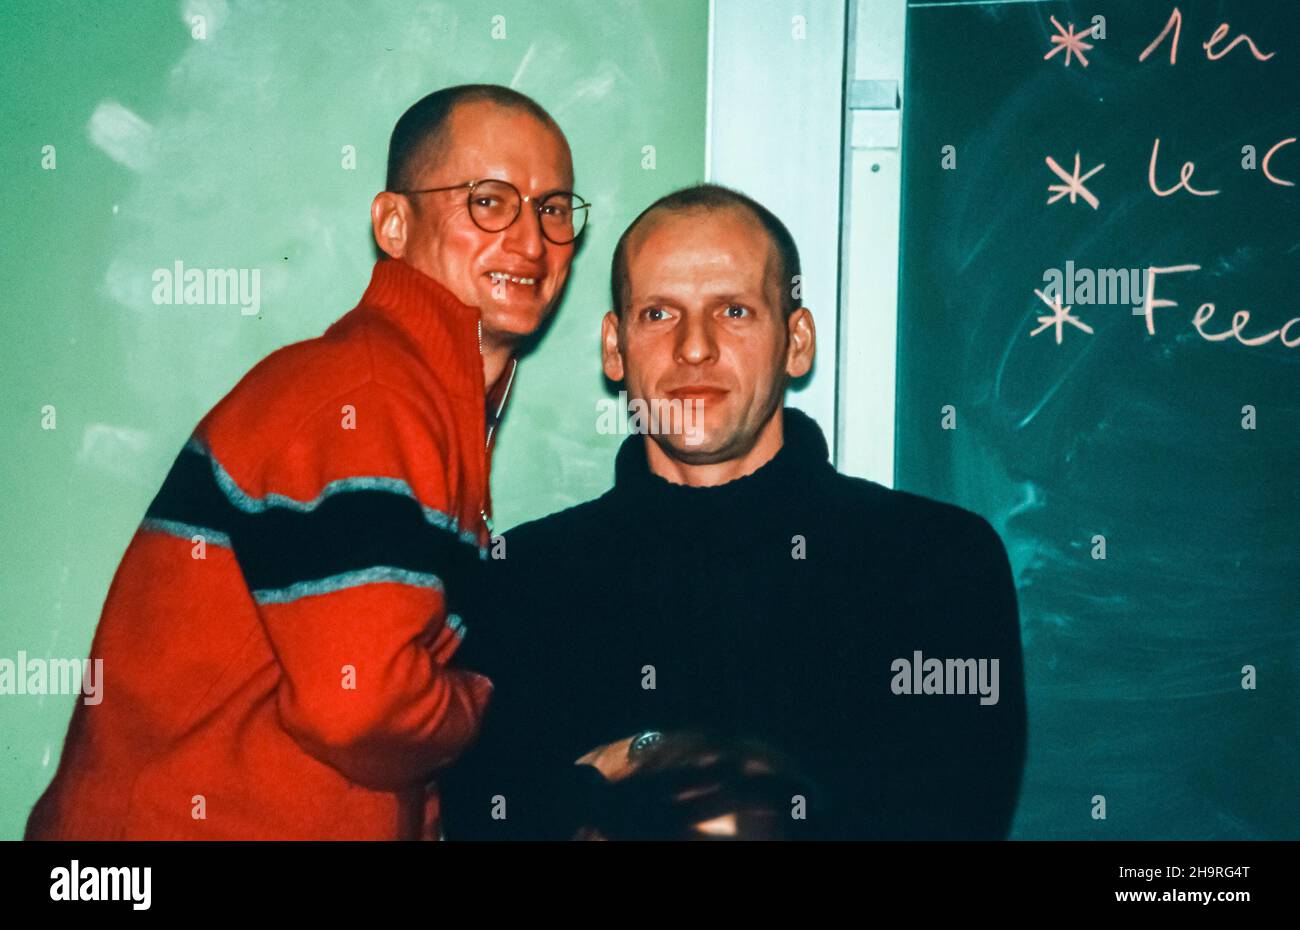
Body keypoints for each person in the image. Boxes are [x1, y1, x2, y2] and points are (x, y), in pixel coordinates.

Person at [25, 84, 586, 840]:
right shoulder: (369, 394)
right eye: (490, 201)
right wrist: (481, 701)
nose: (529, 238)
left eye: (553, 208)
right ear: (393, 223)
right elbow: (363, 708)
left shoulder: (418, 401)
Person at [441, 184, 1026, 840]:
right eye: (660, 314)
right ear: (615, 348)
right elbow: (486, 815)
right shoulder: (520, 579)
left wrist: (632, 770)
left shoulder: (935, 562)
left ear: (795, 341)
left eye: (735, 311)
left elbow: (945, 816)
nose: (695, 347)